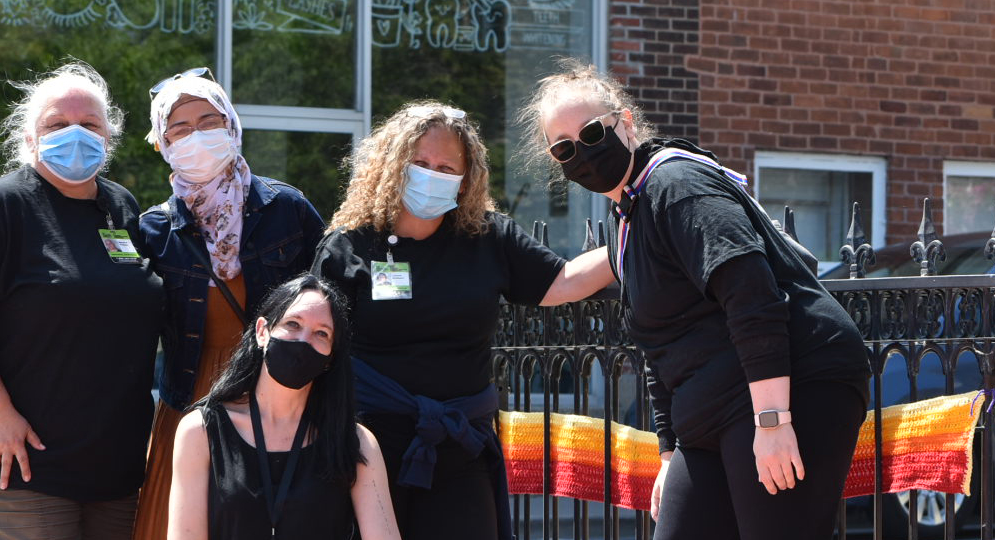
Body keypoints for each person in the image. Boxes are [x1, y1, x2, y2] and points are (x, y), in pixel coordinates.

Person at [519, 59, 873, 539]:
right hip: (708, 415)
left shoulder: (675, 185)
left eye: (592, 134)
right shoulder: (625, 222)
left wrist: (772, 422)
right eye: (564, 148)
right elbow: (657, 347)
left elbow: (751, 294)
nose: (581, 151)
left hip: (790, 386)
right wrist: (669, 455)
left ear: (624, 123)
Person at [312, 101, 614, 540]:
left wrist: (637, 235)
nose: (432, 173)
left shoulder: (487, 237)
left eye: (446, 167)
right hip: (366, 445)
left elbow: (562, 281)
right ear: (392, 166)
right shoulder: (349, 246)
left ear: (465, 178)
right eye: (419, 163)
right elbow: (319, 347)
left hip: (462, 444)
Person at [0, 62, 163, 540]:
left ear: (109, 139)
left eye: (90, 124)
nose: (75, 133)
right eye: (57, 124)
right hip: (17, 459)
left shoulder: (121, 208)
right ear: (31, 138)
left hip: (114, 463)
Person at [131, 68, 328, 539]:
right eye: (179, 128)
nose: (196, 136)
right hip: (188, 393)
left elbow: (327, 304)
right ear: (161, 142)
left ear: (232, 125)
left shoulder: (288, 209)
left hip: (278, 397)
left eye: (208, 120)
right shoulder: (153, 229)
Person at [167, 273, 400, 540]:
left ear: (330, 358)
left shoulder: (356, 441)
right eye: (292, 324)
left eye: (321, 333)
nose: (303, 340)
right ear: (262, 332)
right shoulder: (201, 431)